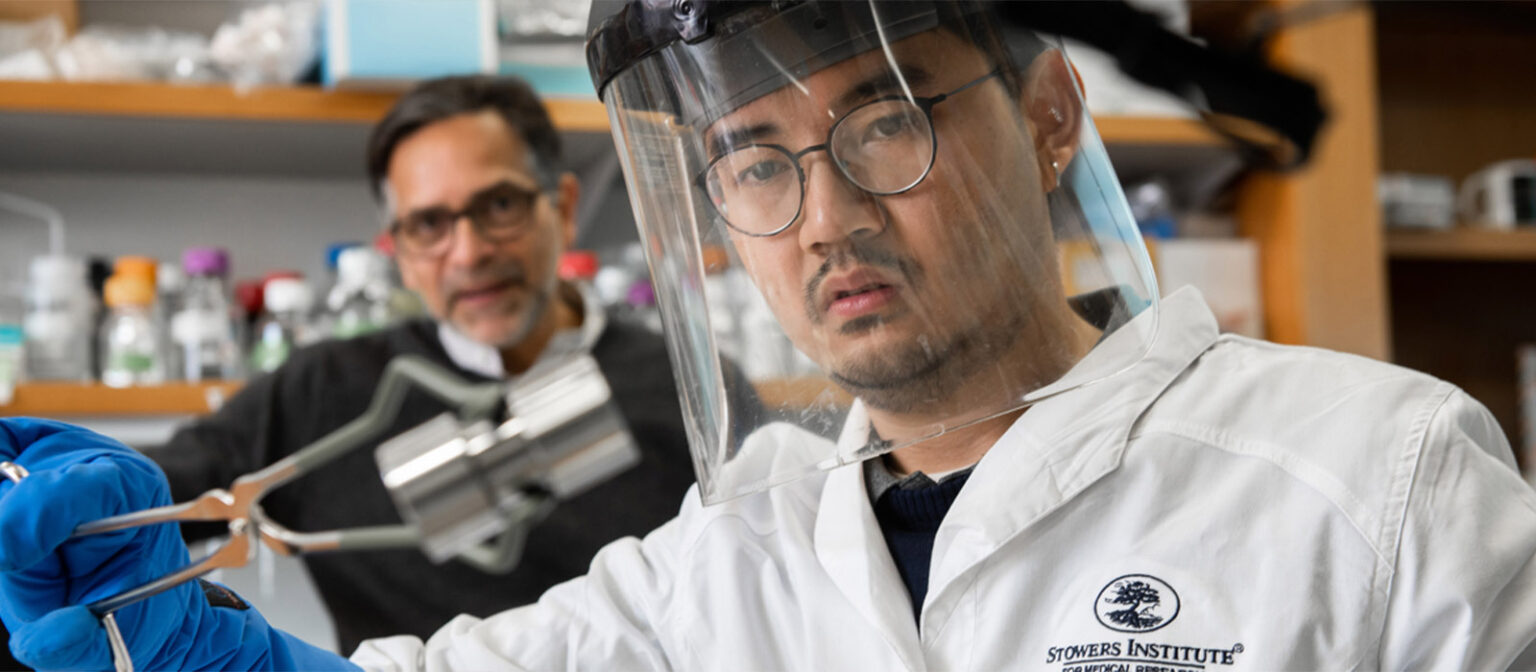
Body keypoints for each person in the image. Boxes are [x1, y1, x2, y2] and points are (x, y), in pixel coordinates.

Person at [2, 2, 1535, 670]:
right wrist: (191, 651)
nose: (820, 217)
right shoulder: (733, 552)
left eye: (887, 120)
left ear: (1052, 115)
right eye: (750, 159)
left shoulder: (1375, 474)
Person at [27, 74, 706, 659]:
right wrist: (63, 495)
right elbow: (156, 496)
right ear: (397, 249)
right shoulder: (323, 392)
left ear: (559, 206)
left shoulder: (683, 381)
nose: (466, 253)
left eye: (497, 206)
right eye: (429, 225)